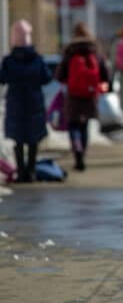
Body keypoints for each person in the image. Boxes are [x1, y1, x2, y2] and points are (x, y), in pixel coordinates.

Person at [0, 20, 52, 182]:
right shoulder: (37, 59)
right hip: (34, 103)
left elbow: (2, 78)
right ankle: (31, 171)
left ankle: (21, 172)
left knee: (18, 140)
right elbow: (47, 78)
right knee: (33, 140)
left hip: (16, 104)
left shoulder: (9, 61)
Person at [55, 23, 110, 171]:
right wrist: (102, 86)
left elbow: (59, 74)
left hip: (73, 95)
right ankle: (83, 154)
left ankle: (77, 151)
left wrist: (67, 81)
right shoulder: (94, 50)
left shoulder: (70, 51)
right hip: (90, 95)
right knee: (84, 126)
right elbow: (104, 74)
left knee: (73, 126)